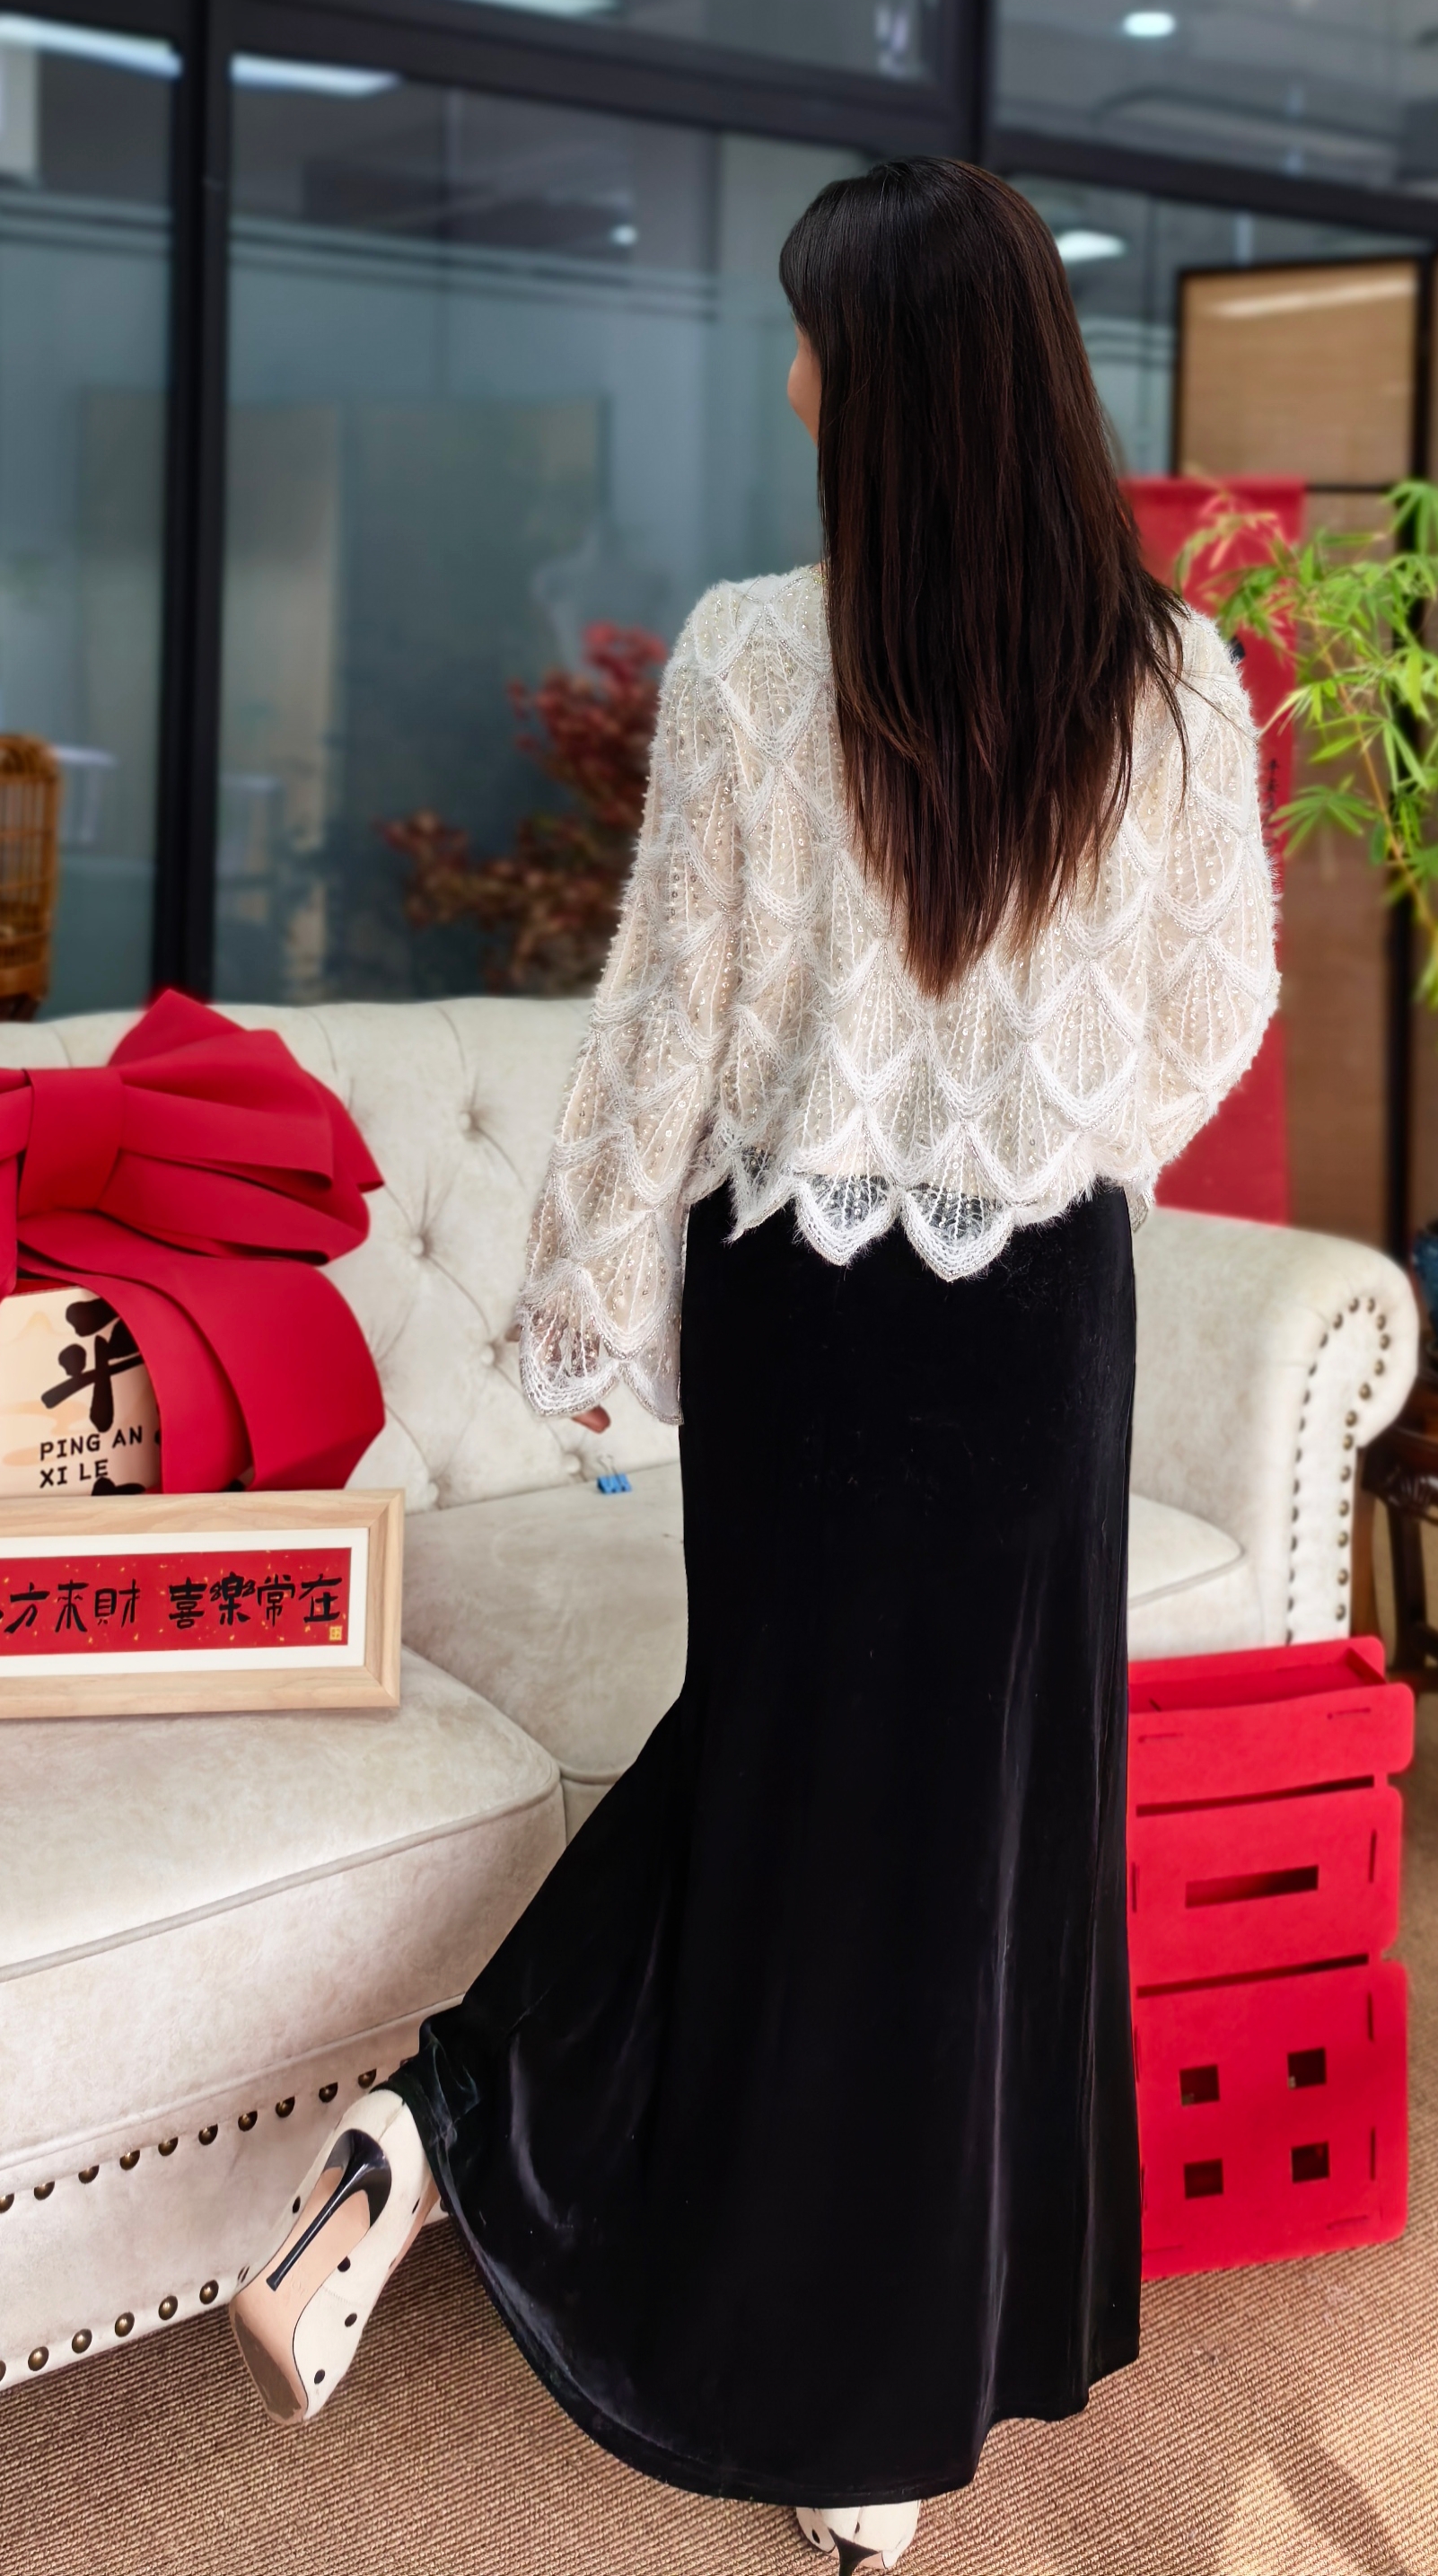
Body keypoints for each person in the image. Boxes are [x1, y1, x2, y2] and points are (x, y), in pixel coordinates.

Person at [226, 158, 1279, 2574]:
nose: (791, 378)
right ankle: (860, 2413)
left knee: (795, 1781)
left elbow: (665, 1033)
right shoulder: (1173, 680)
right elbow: (1211, 1012)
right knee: (969, 1826)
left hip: (807, 1320)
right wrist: (1042, 1140)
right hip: (1033, 1325)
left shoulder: (749, 657)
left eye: (814, 335)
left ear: (894, 375)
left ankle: (444, 2131)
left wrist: (597, 1305)